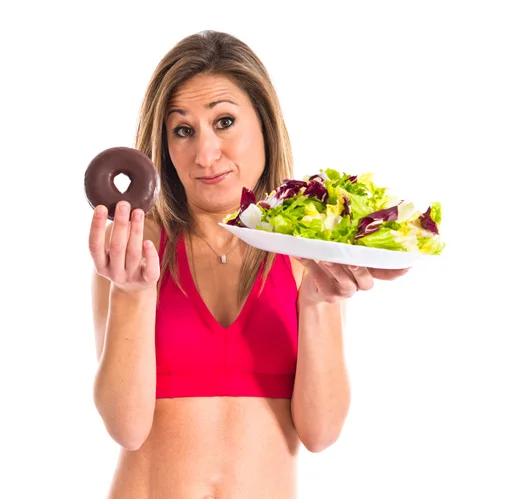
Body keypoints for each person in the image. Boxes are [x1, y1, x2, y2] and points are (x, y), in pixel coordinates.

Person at [88, 30, 408, 499]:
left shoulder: (306, 252)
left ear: (263, 123)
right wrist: (132, 294)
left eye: (224, 122)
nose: (205, 154)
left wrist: (318, 304)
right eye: (183, 130)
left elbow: (320, 433)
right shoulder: (136, 250)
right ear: (165, 145)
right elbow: (126, 427)